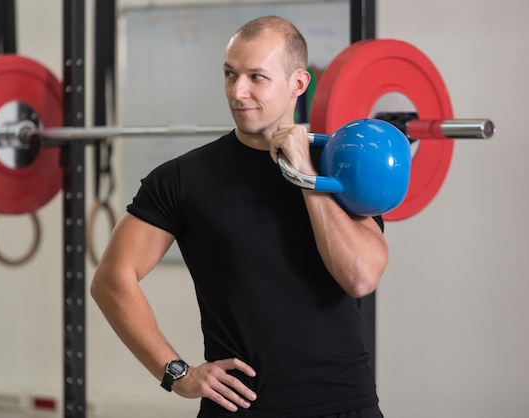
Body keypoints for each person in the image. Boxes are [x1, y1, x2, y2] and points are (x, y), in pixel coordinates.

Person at [91, 16, 388, 418]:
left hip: (345, 405)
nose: (238, 91)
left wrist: (304, 172)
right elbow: (111, 281)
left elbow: (360, 276)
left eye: (256, 77)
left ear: (297, 84)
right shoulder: (182, 179)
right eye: (230, 74)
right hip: (241, 407)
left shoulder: (339, 167)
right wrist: (176, 373)